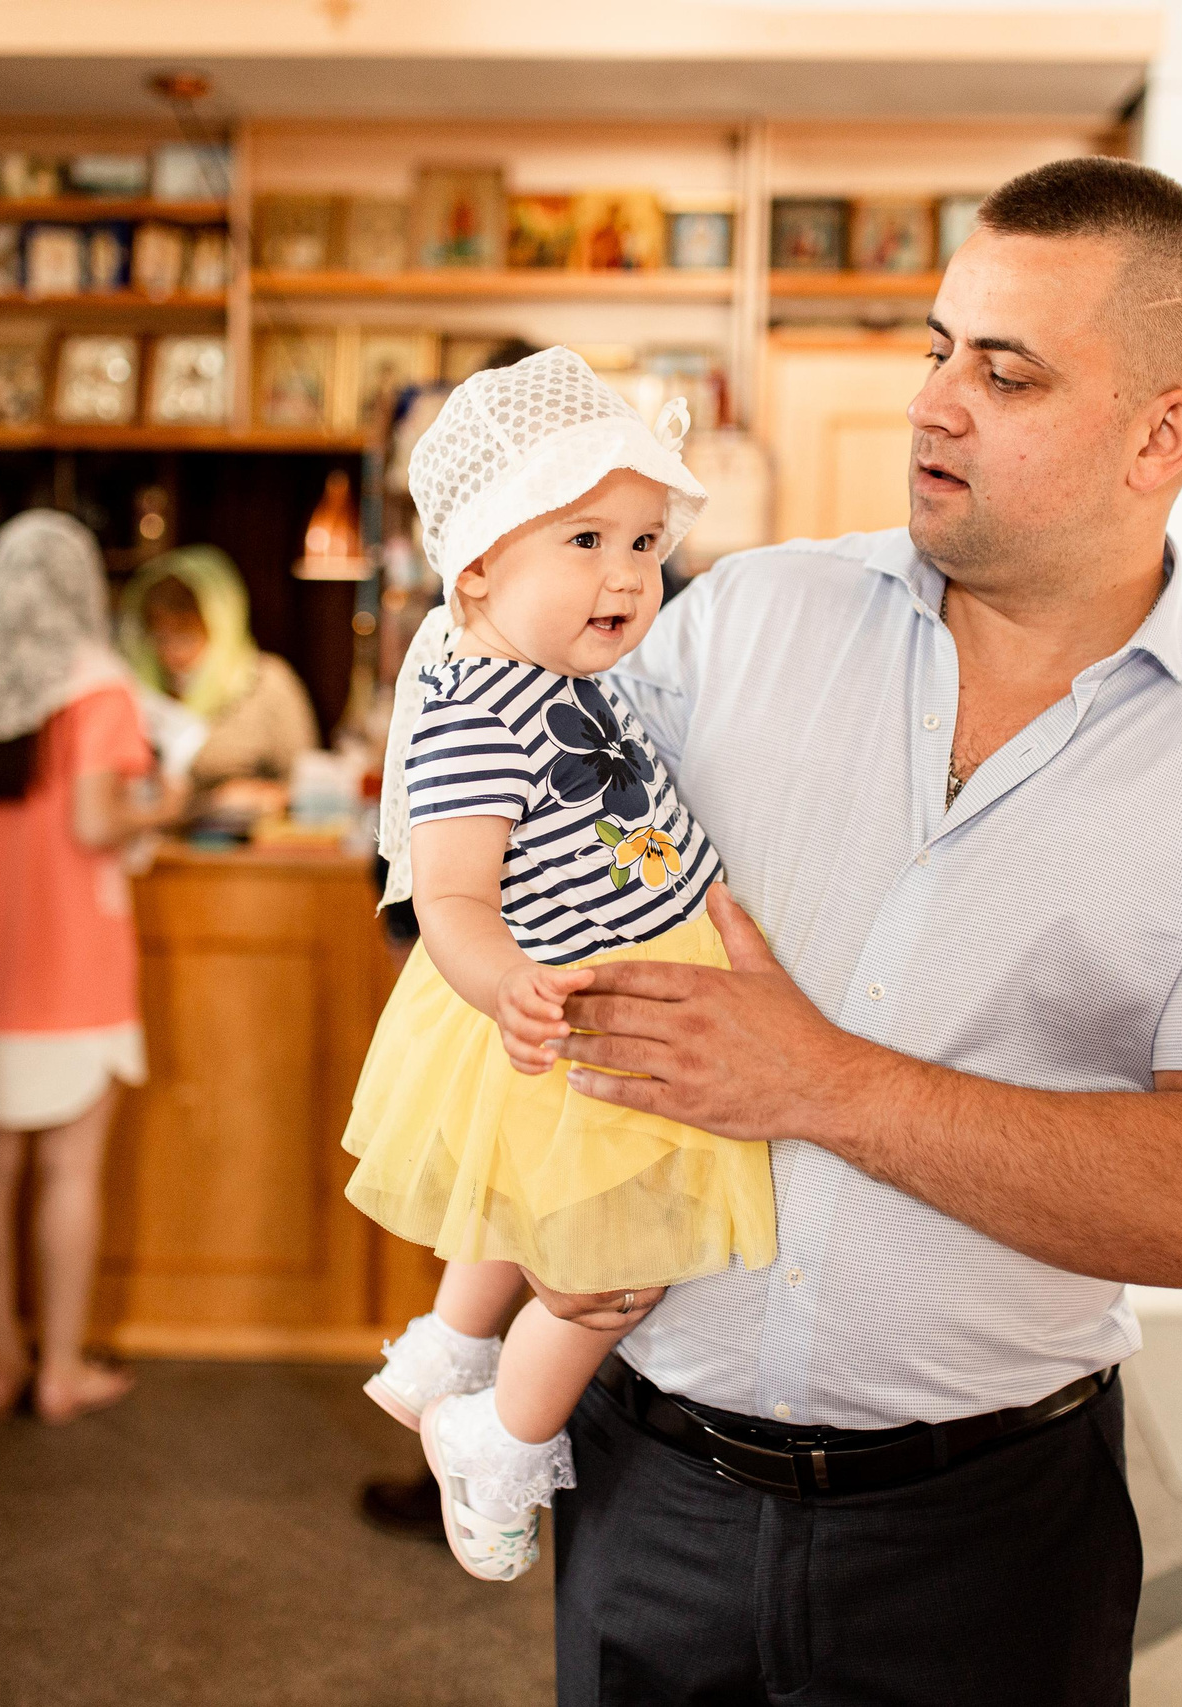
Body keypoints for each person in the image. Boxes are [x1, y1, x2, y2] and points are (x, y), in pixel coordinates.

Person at [514, 158, 1182, 1705]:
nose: (934, 402)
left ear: (1161, 433)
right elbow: (499, 857)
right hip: (648, 1486)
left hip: (987, 1545)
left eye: (1008, 371)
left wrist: (820, 1078)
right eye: (938, 347)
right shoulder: (734, 624)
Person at [343, 349, 764, 1583]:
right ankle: (495, 1436)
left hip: (624, 988)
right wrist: (507, 984)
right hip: (568, 1009)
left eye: (644, 544)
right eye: (586, 541)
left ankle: (451, 1345)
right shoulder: (478, 708)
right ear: (477, 563)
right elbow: (453, 893)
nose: (628, 576)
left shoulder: (572, 673)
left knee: (522, 1210)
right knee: (603, 1281)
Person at [0, 510, 186, 1426]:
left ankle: (0, 1361)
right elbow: (98, 821)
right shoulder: (96, 689)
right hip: (70, 967)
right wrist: (166, 805)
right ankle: (59, 1369)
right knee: (69, 1166)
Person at [116, 545, 319, 793]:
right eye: (159, 636)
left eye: (185, 635)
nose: (170, 650)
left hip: (250, 829)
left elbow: (307, 783)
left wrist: (257, 796)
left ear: (219, 623)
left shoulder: (266, 682)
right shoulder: (139, 686)